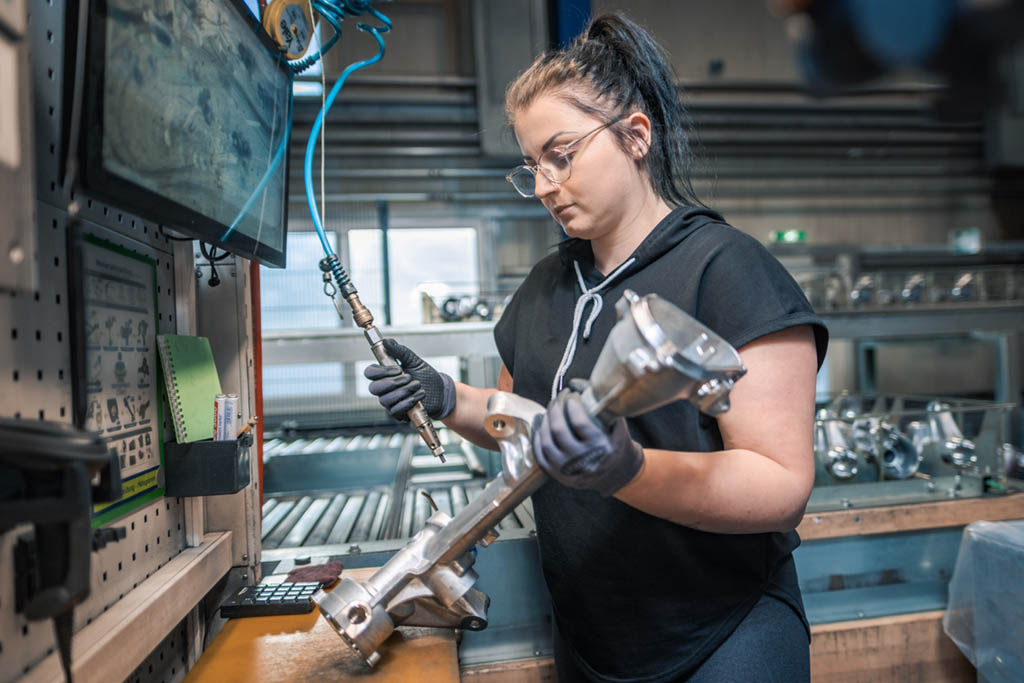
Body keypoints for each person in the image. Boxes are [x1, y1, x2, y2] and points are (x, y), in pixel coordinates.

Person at [364, 12, 828, 683]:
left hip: (722, 633)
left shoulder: (725, 269)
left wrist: (625, 469)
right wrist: (444, 396)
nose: (546, 185)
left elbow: (781, 484)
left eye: (562, 154)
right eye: (532, 166)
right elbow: (523, 426)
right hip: (592, 637)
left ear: (636, 136)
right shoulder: (548, 286)